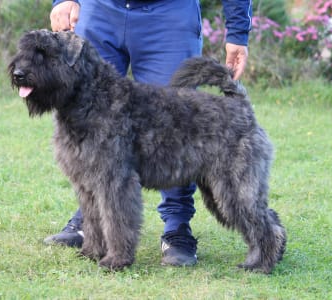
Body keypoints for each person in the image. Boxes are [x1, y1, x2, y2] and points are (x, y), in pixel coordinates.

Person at [44, 0, 252, 266]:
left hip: (169, 13)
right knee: (84, 118)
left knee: (177, 129)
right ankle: (90, 226)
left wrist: (237, 32)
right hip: (99, 9)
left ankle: (176, 229)